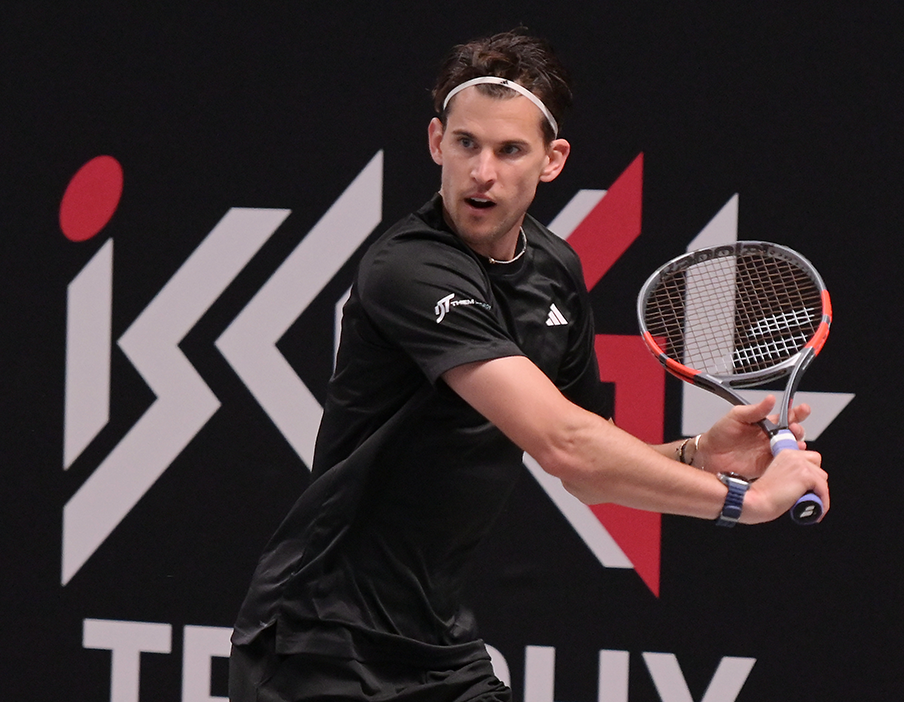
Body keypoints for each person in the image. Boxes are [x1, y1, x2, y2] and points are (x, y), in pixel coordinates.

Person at [228, 29, 829, 702]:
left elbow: (590, 473)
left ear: (551, 160)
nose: (482, 172)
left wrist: (697, 454)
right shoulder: (408, 269)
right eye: (466, 143)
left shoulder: (554, 270)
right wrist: (746, 504)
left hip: (436, 643)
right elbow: (564, 444)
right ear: (436, 142)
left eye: (509, 150)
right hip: (318, 641)